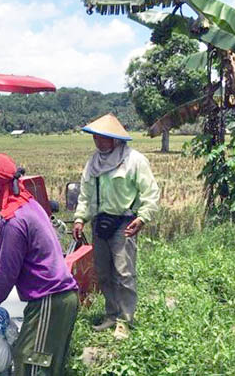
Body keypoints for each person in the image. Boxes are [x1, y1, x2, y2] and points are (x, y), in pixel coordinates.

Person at [0, 153, 79, 376]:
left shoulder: (13, 220)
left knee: (30, 363)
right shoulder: (29, 204)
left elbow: (7, 273)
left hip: (50, 301)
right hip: (58, 299)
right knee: (42, 365)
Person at [71, 113, 160, 340]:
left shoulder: (134, 161)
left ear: (116, 139)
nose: (99, 142)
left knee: (124, 273)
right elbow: (85, 194)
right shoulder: (93, 163)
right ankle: (111, 315)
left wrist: (142, 217)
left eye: (103, 138)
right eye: (96, 138)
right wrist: (80, 218)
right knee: (103, 273)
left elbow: (150, 192)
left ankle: (125, 320)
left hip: (124, 222)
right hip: (100, 222)